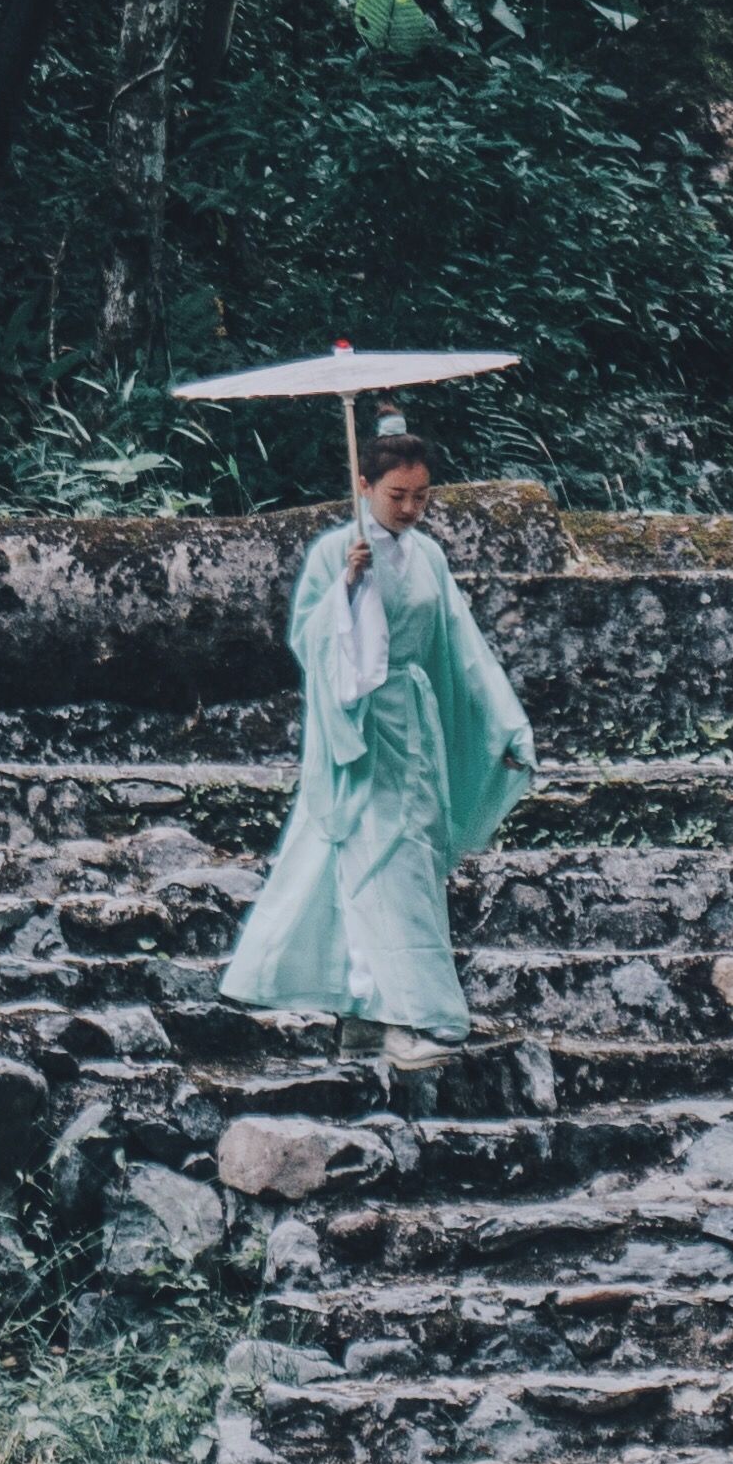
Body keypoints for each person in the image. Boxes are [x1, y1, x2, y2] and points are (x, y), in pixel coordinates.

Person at [221, 415, 534, 1068]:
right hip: (357, 729)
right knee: (380, 861)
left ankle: (366, 1008)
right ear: (364, 485)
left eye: (422, 497)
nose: (412, 509)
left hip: (412, 726)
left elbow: (462, 649)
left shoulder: (429, 556)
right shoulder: (334, 552)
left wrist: (502, 724)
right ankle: (425, 1017)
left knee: (405, 858)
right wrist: (346, 588)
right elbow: (309, 643)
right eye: (398, 496)